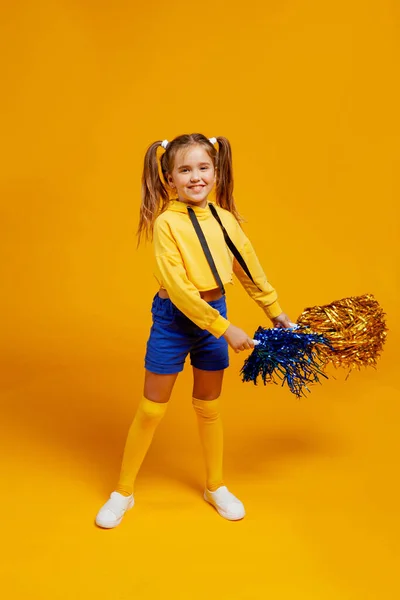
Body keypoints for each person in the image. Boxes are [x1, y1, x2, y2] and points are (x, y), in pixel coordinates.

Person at [95, 133, 291, 528]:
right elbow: (181, 290)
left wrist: (275, 312)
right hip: (175, 320)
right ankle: (123, 491)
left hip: (215, 314)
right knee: (152, 408)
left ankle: (215, 486)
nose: (196, 177)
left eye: (203, 168)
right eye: (185, 170)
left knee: (209, 405)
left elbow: (248, 268)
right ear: (169, 179)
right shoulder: (166, 223)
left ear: (215, 172)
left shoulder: (225, 219)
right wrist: (225, 328)